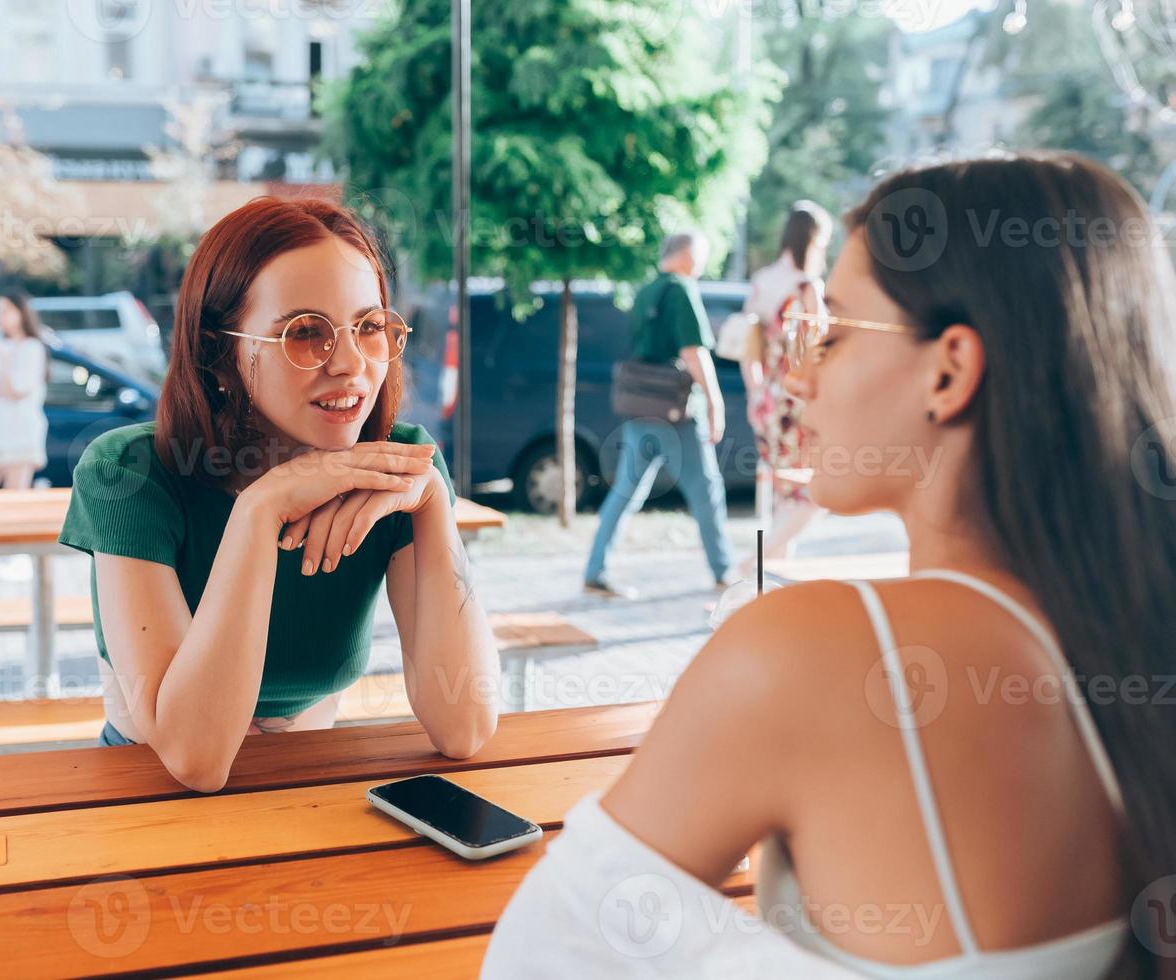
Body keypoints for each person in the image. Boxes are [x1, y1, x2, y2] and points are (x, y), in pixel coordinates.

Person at [485, 153, 1176, 978]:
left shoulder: (814, 650)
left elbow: (536, 961)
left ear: (949, 369)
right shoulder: (1132, 630)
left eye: (834, 332)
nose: (798, 373)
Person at [58, 197, 499, 791]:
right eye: (305, 333)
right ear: (219, 354)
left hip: (309, 786)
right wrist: (262, 507)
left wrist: (434, 508)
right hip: (147, 791)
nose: (349, 364)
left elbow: (465, 726)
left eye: (368, 328)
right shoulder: (130, 472)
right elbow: (195, 758)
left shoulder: (400, 467)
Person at [584, 229, 734, 599]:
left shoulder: (646, 290)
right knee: (706, 491)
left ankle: (595, 570)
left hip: (641, 407)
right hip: (678, 411)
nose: (700, 265)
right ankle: (723, 571)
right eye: (700, 256)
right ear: (686, 255)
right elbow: (693, 351)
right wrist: (715, 401)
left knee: (625, 492)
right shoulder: (681, 290)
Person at [737, 200, 834, 577]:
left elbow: (750, 347)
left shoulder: (762, 281)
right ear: (813, 240)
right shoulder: (807, 286)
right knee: (811, 494)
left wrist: (755, 392)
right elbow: (820, 346)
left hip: (766, 398)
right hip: (797, 400)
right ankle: (753, 565)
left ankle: (773, 579)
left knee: (783, 495)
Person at [0, 289, 48, 490]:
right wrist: (2, 389)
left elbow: (17, 390)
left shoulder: (32, 347)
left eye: (5, 311)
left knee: (15, 494)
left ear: (21, 312)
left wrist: (5, 362)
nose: (0, 317)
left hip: (21, 428)